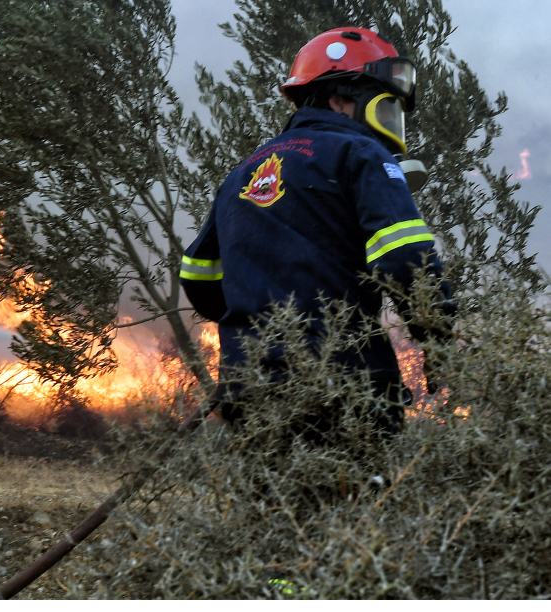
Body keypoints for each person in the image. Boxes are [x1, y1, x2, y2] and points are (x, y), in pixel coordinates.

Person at [179, 27, 455, 435]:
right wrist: (439, 339)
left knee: (271, 498)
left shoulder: (244, 172)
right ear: (340, 99)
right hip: (347, 386)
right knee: (362, 498)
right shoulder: (361, 154)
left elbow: (198, 275)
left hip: (251, 390)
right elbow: (404, 257)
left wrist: (258, 321)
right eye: (385, 106)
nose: (391, 123)